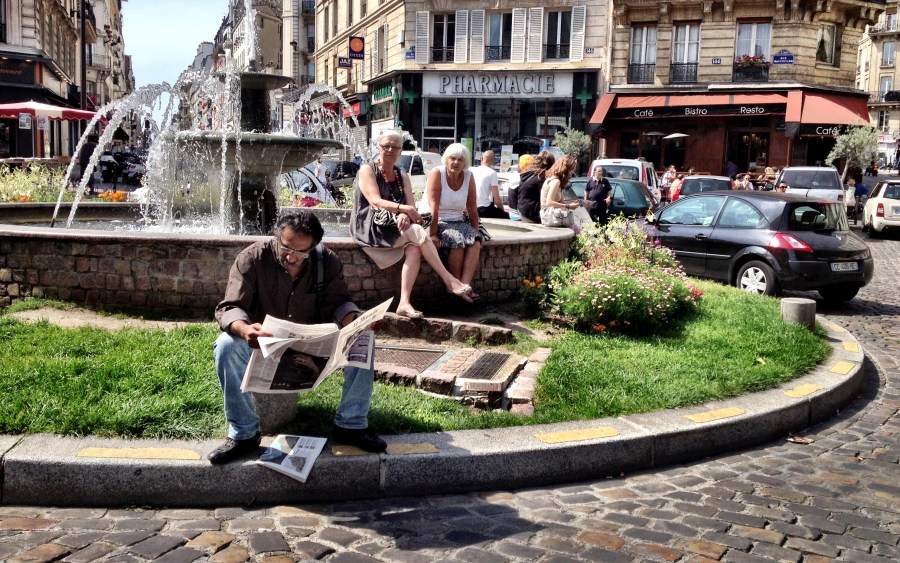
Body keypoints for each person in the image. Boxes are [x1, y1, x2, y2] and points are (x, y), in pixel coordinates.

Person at [208, 210, 386, 464]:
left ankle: (351, 424)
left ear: (313, 246)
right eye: (286, 248)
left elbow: (339, 303)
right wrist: (244, 329)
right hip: (263, 344)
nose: (292, 257)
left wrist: (355, 320)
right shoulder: (252, 258)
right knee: (226, 345)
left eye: (302, 252)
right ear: (276, 234)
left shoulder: (327, 261)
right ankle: (244, 433)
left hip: (310, 345)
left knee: (363, 339)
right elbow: (230, 307)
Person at [351, 130, 475, 319]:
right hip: (370, 227)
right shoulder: (367, 170)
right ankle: (449, 280)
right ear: (378, 148)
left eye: (395, 147)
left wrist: (405, 214)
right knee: (417, 231)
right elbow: (375, 201)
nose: (390, 150)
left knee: (414, 249)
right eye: (386, 146)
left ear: (400, 151)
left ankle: (404, 303)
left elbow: (412, 209)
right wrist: (403, 210)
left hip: (393, 228)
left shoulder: (402, 175)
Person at [426, 143, 484, 298]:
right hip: (438, 219)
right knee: (457, 242)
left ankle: (465, 286)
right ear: (446, 159)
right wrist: (433, 234)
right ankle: (454, 285)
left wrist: (476, 230)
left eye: (460, 159)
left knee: (475, 241)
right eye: (453, 158)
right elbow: (433, 207)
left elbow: (472, 207)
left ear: (465, 162)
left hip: (458, 220)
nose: (456, 162)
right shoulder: (437, 173)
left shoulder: (469, 176)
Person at [539, 155, 581, 228]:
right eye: (571, 171)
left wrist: (572, 205)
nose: (571, 174)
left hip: (552, 215)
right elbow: (549, 202)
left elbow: (562, 202)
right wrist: (568, 206)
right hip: (549, 216)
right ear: (566, 170)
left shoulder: (556, 181)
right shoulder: (556, 181)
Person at [516, 151, 556, 223]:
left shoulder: (528, 174)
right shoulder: (541, 177)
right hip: (533, 215)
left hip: (523, 212)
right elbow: (548, 199)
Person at [473, 150, 509, 219]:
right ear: (493, 161)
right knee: (506, 216)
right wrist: (502, 212)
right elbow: (497, 200)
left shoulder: (473, 171)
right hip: (483, 209)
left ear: (481, 159)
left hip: (472, 208)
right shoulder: (492, 173)